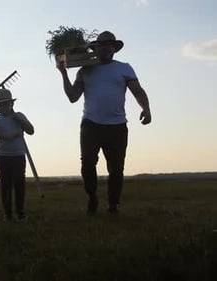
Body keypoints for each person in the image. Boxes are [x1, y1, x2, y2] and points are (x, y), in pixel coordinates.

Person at [57, 31, 152, 215]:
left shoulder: (124, 68)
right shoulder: (85, 69)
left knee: (116, 168)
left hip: (117, 126)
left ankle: (113, 204)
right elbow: (72, 97)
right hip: (91, 124)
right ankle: (92, 197)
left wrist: (146, 109)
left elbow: (138, 91)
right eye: (102, 44)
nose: (106, 47)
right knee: (88, 163)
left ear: (114, 49)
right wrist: (63, 74)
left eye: (110, 44)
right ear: (96, 48)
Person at [0, 89, 34, 222]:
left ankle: (20, 213)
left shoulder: (19, 116)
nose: (2, 107)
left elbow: (31, 131)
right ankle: (8, 214)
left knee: (19, 183)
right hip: (3, 156)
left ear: (11, 104)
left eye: (5, 104)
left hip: (18, 155)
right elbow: (0, 135)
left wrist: (21, 121)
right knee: (6, 185)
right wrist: (16, 134)